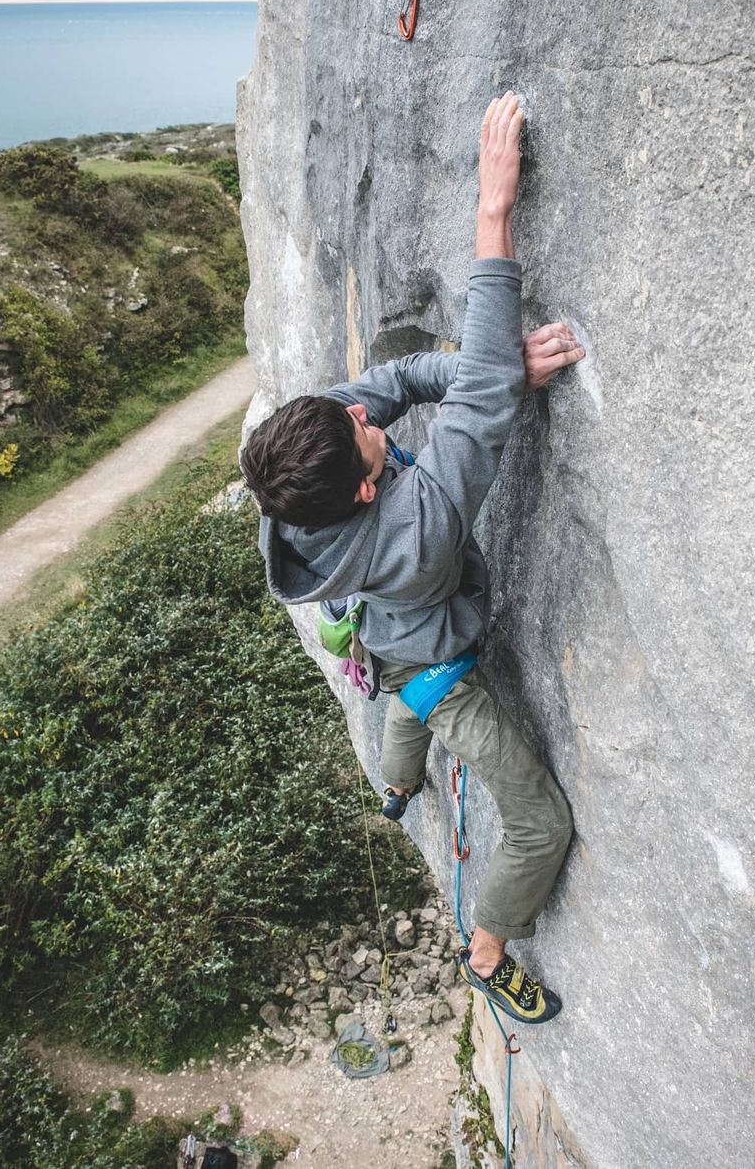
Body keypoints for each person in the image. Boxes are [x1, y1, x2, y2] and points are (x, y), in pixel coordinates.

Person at [240, 92, 583, 1023]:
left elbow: (394, 385)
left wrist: (489, 367)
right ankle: (485, 948)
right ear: (363, 491)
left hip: (388, 642)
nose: (362, 418)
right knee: (538, 819)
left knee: (398, 704)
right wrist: (493, 212)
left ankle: (396, 789)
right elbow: (468, 409)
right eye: (363, 440)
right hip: (438, 665)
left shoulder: (290, 461)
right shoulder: (416, 525)